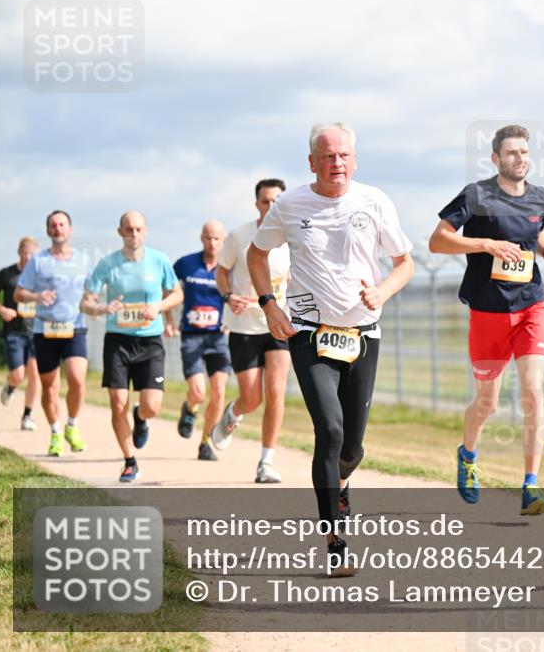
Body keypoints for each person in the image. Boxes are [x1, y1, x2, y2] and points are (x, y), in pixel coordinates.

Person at [248, 122, 414, 572]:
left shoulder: (375, 201)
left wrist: (383, 291)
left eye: (343, 155)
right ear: (312, 162)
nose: (336, 163)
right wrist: (269, 305)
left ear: (354, 160)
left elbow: (405, 263)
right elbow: (256, 255)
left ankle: (338, 482)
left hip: (363, 334)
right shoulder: (289, 204)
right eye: (327, 156)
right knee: (330, 429)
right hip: (308, 332)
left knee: (352, 449)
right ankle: (336, 540)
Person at [428, 124, 544, 515]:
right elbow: (437, 241)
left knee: (533, 391)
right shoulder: (476, 195)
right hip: (488, 311)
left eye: (524, 152)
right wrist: (485, 244)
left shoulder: (540, 197)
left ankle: (531, 486)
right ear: (495, 159)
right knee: (487, 402)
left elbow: (536, 232)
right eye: (511, 153)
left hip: (531, 305)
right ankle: (468, 455)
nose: (520, 158)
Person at [81, 211, 183, 482]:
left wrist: (158, 306)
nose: (134, 234)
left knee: (152, 406)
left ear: (145, 231)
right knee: (117, 403)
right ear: (120, 232)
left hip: (150, 341)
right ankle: (129, 462)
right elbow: (86, 302)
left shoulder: (159, 260)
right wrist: (103, 308)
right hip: (118, 341)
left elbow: (177, 294)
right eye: (129, 229)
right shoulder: (108, 264)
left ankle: (140, 417)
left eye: (138, 229)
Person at [210, 179, 292, 484]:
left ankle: (266, 462)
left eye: (276, 201)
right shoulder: (240, 236)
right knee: (252, 398)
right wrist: (228, 296)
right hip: (245, 326)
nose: (271, 206)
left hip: (279, 324)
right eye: (265, 201)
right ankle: (233, 413)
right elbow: (221, 271)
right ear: (257, 204)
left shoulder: (292, 237)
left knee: (276, 391)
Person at [15, 211, 90, 457]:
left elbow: (92, 290)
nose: (58, 229)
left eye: (62, 225)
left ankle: (72, 425)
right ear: (48, 231)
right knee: (49, 388)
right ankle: (56, 432)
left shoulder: (84, 260)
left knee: (77, 380)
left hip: (75, 326)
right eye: (53, 225)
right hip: (45, 329)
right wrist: (37, 296)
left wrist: (93, 302)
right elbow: (18, 294)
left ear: (70, 229)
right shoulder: (38, 261)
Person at [165, 220, 232, 461]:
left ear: (223, 240)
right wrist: (169, 320)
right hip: (191, 336)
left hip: (218, 337)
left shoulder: (229, 267)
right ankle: (190, 408)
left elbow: (239, 295)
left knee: (219, 391)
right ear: (202, 238)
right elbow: (167, 290)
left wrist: (230, 322)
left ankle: (205, 442)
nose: (212, 243)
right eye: (208, 238)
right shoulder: (185, 264)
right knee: (198, 392)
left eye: (217, 239)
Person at [0, 236, 41, 431]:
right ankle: (11, 385)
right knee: (18, 374)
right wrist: (1, 310)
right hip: (14, 331)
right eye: (24, 252)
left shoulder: (40, 277)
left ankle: (27, 416)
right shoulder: (7, 274)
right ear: (19, 252)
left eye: (31, 253)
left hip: (36, 331)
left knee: (35, 374)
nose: (27, 256)